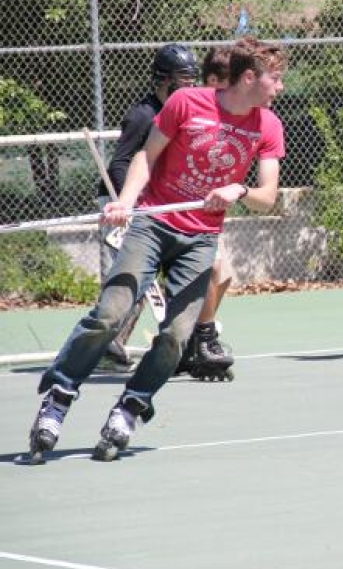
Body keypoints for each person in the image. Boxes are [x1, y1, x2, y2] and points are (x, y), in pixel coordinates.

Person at [26, 36, 286, 463]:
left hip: (201, 238)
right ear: (249, 77)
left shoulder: (269, 126)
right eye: (275, 79)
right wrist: (126, 203)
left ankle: (132, 405)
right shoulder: (187, 103)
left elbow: (268, 195)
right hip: (154, 222)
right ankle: (58, 394)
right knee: (110, 313)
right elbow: (146, 158)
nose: (279, 88)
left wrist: (239, 189)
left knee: (177, 336)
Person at [95, 43, 199, 373]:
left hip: (155, 206)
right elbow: (120, 164)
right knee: (135, 277)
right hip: (122, 203)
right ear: (163, 79)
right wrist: (130, 203)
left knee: (157, 276)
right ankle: (103, 345)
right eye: (183, 78)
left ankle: (121, 344)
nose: (189, 86)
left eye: (192, 79)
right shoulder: (142, 115)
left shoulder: (179, 112)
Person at [174, 45, 238, 380]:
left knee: (222, 277)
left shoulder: (230, 113)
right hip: (182, 215)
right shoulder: (189, 108)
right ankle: (200, 341)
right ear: (212, 79)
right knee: (211, 272)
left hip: (211, 212)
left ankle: (194, 336)